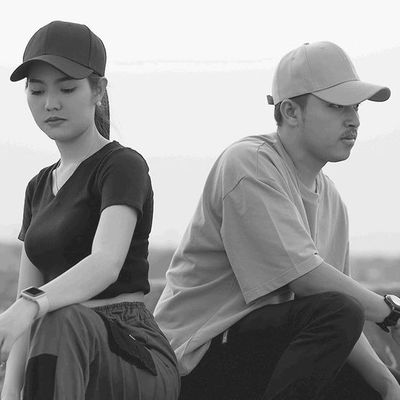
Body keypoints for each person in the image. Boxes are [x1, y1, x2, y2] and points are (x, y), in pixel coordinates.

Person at [154, 41, 400, 400]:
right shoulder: (250, 164)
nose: (355, 120)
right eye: (336, 106)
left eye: (357, 107)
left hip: (262, 352)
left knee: (374, 384)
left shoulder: (332, 201)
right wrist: (389, 313)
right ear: (290, 111)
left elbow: (337, 314)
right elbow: (308, 280)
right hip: (192, 361)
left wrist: (387, 383)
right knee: (340, 312)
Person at [0, 20, 179, 400]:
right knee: (52, 326)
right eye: (36, 91)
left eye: (66, 88)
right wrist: (10, 390)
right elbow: (23, 299)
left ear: (99, 90)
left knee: (59, 318)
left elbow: (106, 262)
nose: (50, 103)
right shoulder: (37, 187)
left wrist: (33, 306)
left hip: (130, 348)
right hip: (59, 344)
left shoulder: (121, 165)